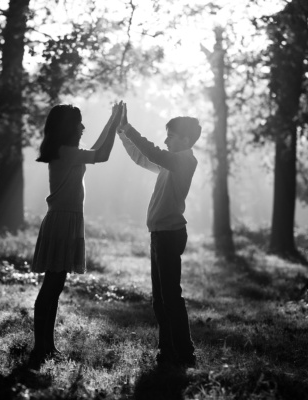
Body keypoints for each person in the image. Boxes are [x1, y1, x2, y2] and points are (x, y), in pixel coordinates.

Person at [29, 102, 123, 369]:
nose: (83, 127)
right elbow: (101, 154)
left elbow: (96, 150)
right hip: (61, 222)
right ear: (67, 127)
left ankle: (47, 345)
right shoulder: (65, 152)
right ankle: (40, 347)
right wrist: (114, 120)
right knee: (51, 286)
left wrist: (112, 121)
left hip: (66, 220)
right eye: (79, 123)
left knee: (55, 286)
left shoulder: (66, 152)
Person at [116, 103, 201, 369]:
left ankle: (184, 353)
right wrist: (121, 132)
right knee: (160, 298)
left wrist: (129, 127)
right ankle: (167, 350)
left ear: (185, 140)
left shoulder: (183, 161)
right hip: (159, 235)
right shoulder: (169, 164)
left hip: (169, 235)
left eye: (171, 136)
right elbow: (142, 157)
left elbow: (152, 151)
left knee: (170, 297)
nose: (166, 140)